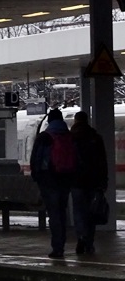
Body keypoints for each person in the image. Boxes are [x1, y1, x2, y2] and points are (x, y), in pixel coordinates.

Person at [29, 108, 75, 258]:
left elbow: (36, 159)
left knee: (54, 213)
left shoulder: (45, 137)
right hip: (66, 179)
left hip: (49, 181)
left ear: (49, 121)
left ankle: (58, 247)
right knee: (62, 212)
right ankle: (62, 242)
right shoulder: (69, 136)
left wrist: (37, 177)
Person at [70, 110, 108, 255]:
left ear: (75, 120)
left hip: (76, 181)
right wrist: (104, 181)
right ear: (87, 120)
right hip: (94, 181)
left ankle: (81, 236)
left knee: (79, 211)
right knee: (92, 212)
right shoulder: (96, 138)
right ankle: (89, 241)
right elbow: (103, 162)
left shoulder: (71, 137)